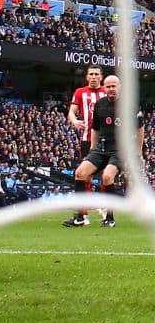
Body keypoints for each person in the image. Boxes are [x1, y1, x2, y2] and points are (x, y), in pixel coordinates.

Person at [65, 75, 141, 229]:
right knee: (80, 173)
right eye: (108, 86)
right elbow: (95, 129)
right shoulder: (99, 105)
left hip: (119, 150)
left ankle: (110, 218)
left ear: (120, 87)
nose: (111, 89)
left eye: (114, 86)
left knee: (107, 176)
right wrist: (93, 150)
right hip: (101, 148)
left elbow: (139, 129)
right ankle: (80, 217)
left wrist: (137, 153)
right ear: (104, 88)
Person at [62, 66, 105, 227]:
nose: (93, 77)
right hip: (87, 140)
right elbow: (71, 112)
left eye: (96, 74)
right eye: (91, 74)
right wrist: (74, 121)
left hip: (106, 140)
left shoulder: (107, 92)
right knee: (85, 176)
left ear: (101, 77)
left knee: (106, 175)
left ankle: (106, 210)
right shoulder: (80, 92)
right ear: (87, 77)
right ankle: (84, 214)